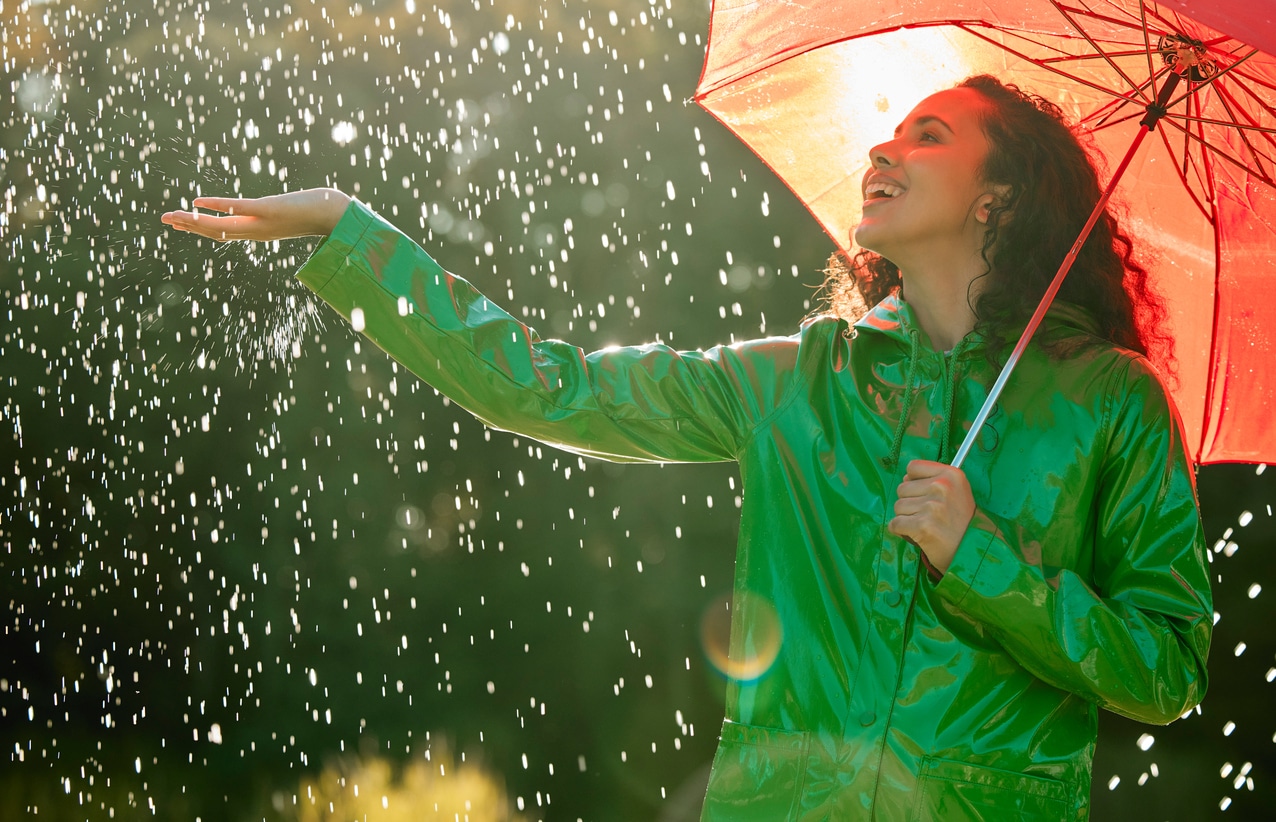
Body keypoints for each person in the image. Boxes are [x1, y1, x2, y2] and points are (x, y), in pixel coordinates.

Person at [161, 75, 1211, 820]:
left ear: (1001, 197)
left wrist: (981, 560)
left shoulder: (1111, 404)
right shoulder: (789, 385)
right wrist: (354, 233)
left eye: (928, 135)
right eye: (886, 134)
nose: (883, 151)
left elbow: (1165, 671)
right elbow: (547, 387)